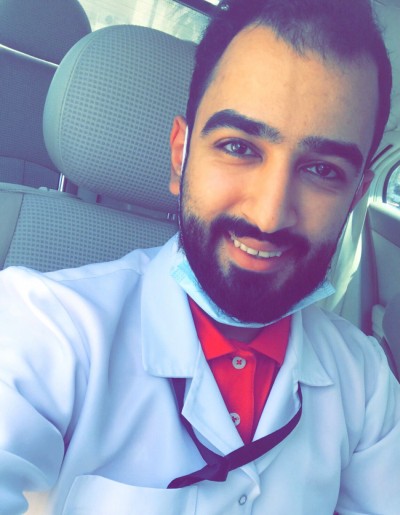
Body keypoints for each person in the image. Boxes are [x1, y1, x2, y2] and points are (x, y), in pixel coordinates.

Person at [0, 0, 399, 513]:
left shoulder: (366, 381)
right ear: (180, 153)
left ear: (356, 195)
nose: (269, 216)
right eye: (239, 147)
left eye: (323, 171)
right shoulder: (46, 327)